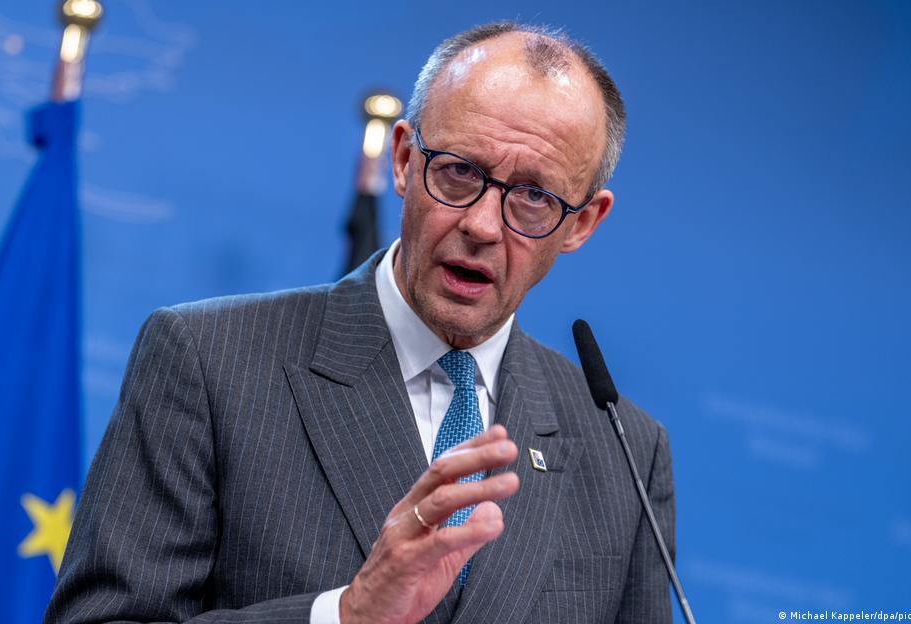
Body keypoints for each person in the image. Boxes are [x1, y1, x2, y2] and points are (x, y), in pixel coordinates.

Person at [45, 21, 675, 624]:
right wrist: (344, 616)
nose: (482, 225)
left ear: (582, 224)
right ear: (403, 160)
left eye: (535, 196)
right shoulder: (207, 362)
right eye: (458, 171)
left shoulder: (625, 452)